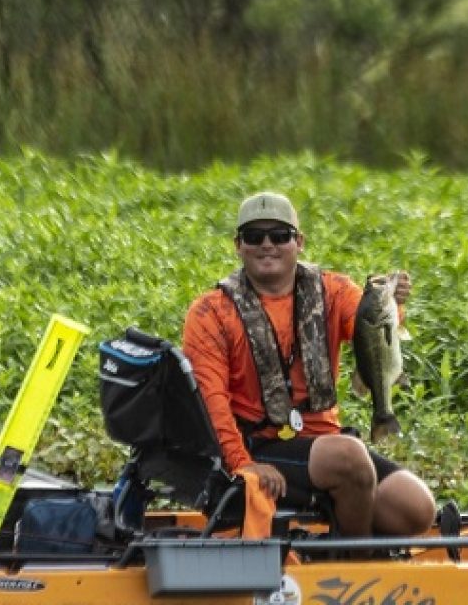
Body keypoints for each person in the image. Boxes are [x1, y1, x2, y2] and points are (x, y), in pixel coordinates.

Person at [181, 191, 436, 537]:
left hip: (323, 441)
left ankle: (337, 523)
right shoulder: (210, 312)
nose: (267, 245)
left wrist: (393, 303)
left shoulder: (333, 290)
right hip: (257, 446)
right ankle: (354, 563)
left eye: (280, 235)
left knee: (415, 509)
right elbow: (212, 402)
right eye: (255, 237)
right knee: (349, 457)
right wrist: (244, 464)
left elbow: (371, 329)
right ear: (238, 246)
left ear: (298, 242)